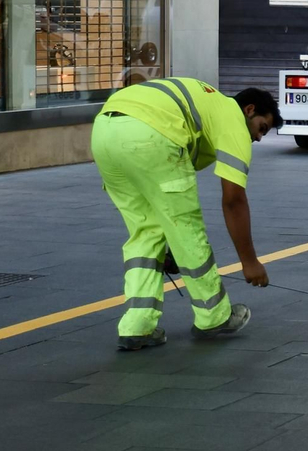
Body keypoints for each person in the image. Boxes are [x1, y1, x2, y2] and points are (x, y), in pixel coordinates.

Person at [91, 78, 281, 351]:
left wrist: (169, 250)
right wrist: (250, 262)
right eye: (262, 128)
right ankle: (213, 316)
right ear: (249, 110)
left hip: (104, 132)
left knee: (145, 232)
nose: (259, 137)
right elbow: (234, 200)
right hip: (150, 133)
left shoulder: (208, 104)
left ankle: (138, 325)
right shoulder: (233, 116)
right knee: (186, 229)